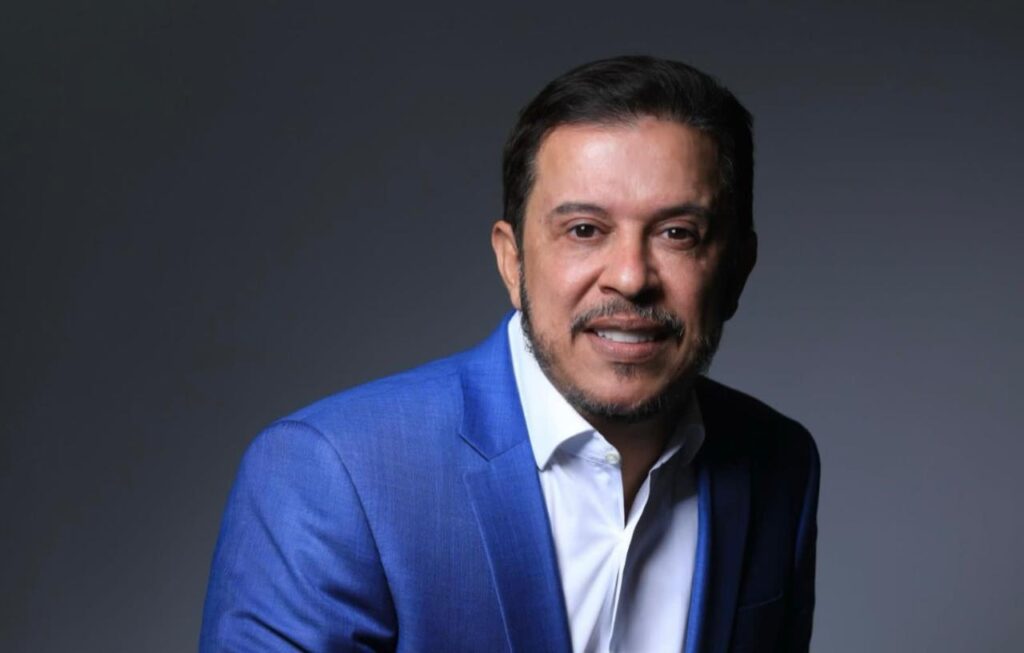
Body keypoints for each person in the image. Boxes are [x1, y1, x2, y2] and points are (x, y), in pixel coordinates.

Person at [200, 55, 820, 653]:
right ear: (511, 261)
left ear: (738, 269)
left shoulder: (778, 464)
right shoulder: (331, 474)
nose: (631, 277)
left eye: (677, 234)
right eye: (584, 230)